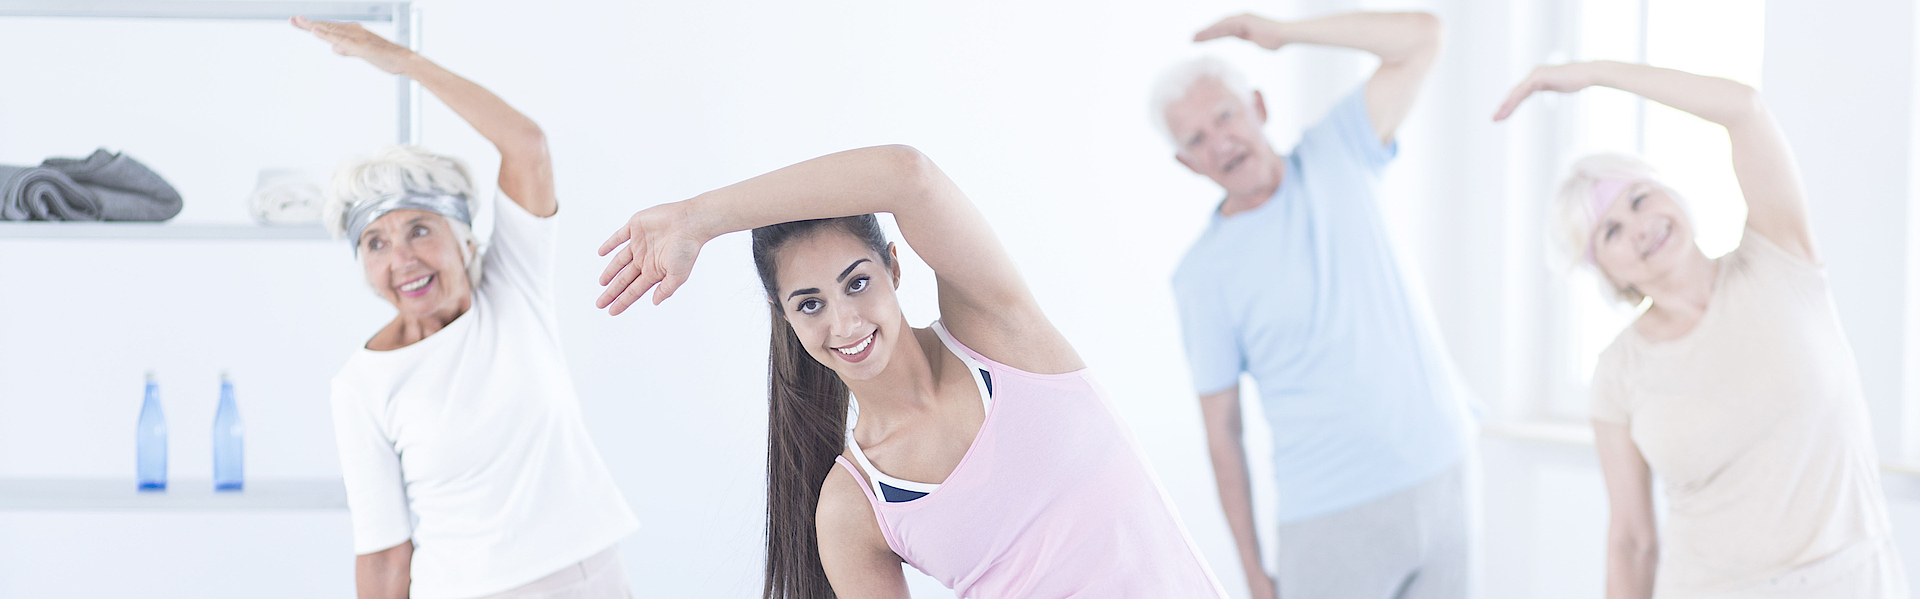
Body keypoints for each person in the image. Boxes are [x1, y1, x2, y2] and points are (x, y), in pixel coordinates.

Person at [594, 145, 1229, 598]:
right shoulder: (856, 506)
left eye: (857, 283)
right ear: (782, 316)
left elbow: (909, 175)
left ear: (895, 267)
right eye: (808, 303)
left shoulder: (998, 335)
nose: (843, 324)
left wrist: (699, 218)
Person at [1495, 60, 1909, 599]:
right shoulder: (1619, 371)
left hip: (1854, 579)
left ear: (1670, 194)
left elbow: (1744, 109)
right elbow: (1632, 540)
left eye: (1640, 198)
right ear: (1606, 271)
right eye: (1611, 231)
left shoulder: (1780, 260)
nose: (1640, 226)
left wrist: (1593, 75)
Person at [296, 16, 638, 599]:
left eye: (420, 229)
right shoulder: (361, 384)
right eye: (375, 243)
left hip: (588, 577)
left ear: (465, 239)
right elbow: (383, 551)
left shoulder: (512, 286)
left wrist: (400, 60)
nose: (401, 259)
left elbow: (526, 145)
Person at [1150, 10, 1474, 599]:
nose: (1220, 141)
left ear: (1260, 107)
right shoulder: (1201, 276)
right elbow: (1222, 431)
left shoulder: (1341, 149)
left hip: (1444, 474)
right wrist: (1252, 569)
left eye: (1225, 115)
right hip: (1330, 514)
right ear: (1186, 163)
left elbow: (1424, 37)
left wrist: (1287, 32)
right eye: (1195, 139)